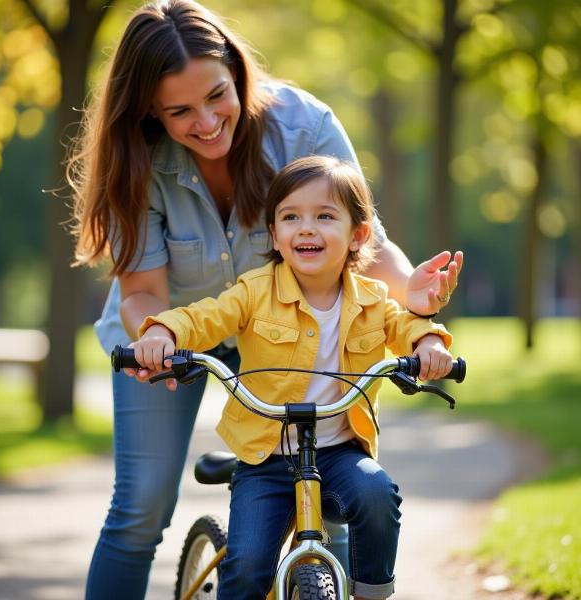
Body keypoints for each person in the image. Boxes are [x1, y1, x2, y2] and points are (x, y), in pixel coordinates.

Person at [68, 1, 463, 598]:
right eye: (179, 111)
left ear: (235, 69)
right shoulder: (138, 159)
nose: (205, 122)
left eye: (217, 96)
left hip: (283, 326)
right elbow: (144, 291)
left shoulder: (302, 126)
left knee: (338, 498)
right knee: (141, 508)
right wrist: (153, 342)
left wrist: (416, 294)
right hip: (175, 331)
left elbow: (365, 245)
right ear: (149, 108)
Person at [130, 156, 454, 599]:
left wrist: (429, 346)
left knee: (377, 494)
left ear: (358, 234)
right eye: (290, 217)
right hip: (266, 459)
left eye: (324, 216)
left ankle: (370, 593)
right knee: (247, 568)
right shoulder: (254, 291)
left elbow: (407, 326)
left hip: (339, 453)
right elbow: (204, 317)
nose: (306, 228)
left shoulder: (374, 299)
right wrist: (165, 332)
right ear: (275, 235)